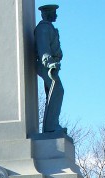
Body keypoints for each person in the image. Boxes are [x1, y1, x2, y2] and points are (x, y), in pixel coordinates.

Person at [35, 4, 64, 133]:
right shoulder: (43, 28)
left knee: (53, 93)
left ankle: (51, 125)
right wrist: (49, 63)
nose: (56, 15)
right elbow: (43, 49)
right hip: (46, 65)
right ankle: (51, 127)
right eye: (53, 13)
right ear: (46, 14)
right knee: (57, 90)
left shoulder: (49, 28)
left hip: (52, 64)